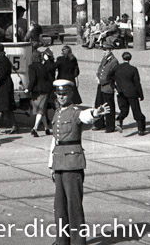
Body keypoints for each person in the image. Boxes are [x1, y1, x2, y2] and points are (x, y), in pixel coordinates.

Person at [49, 79, 110, 245]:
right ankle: (62, 240)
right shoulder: (57, 113)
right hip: (59, 163)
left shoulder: (75, 111)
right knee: (59, 206)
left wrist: (96, 113)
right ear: (56, 95)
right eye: (59, 94)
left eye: (65, 94)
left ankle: (78, 242)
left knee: (73, 205)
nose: (62, 97)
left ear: (71, 94)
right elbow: (55, 141)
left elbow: (86, 116)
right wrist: (51, 166)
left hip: (73, 164)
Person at [114, 52, 146, 135]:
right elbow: (137, 83)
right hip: (131, 93)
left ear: (122, 58)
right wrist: (141, 94)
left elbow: (110, 77)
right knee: (136, 111)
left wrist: (116, 87)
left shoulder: (117, 68)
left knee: (124, 110)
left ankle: (119, 119)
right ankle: (140, 130)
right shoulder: (133, 69)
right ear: (130, 59)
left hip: (120, 92)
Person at [27, 51, 53, 136]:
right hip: (45, 90)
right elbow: (50, 77)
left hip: (36, 91)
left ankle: (35, 128)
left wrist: (28, 89)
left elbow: (32, 79)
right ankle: (47, 128)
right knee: (41, 110)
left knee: (39, 110)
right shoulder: (44, 67)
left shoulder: (31, 67)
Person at [93, 45, 118, 133]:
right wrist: (98, 76)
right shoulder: (104, 58)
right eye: (104, 50)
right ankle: (99, 123)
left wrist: (102, 81)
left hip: (108, 86)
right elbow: (100, 68)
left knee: (108, 106)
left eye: (106, 50)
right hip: (100, 85)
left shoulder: (114, 61)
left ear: (110, 50)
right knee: (99, 104)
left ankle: (110, 126)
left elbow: (112, 75)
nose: (104, 52)